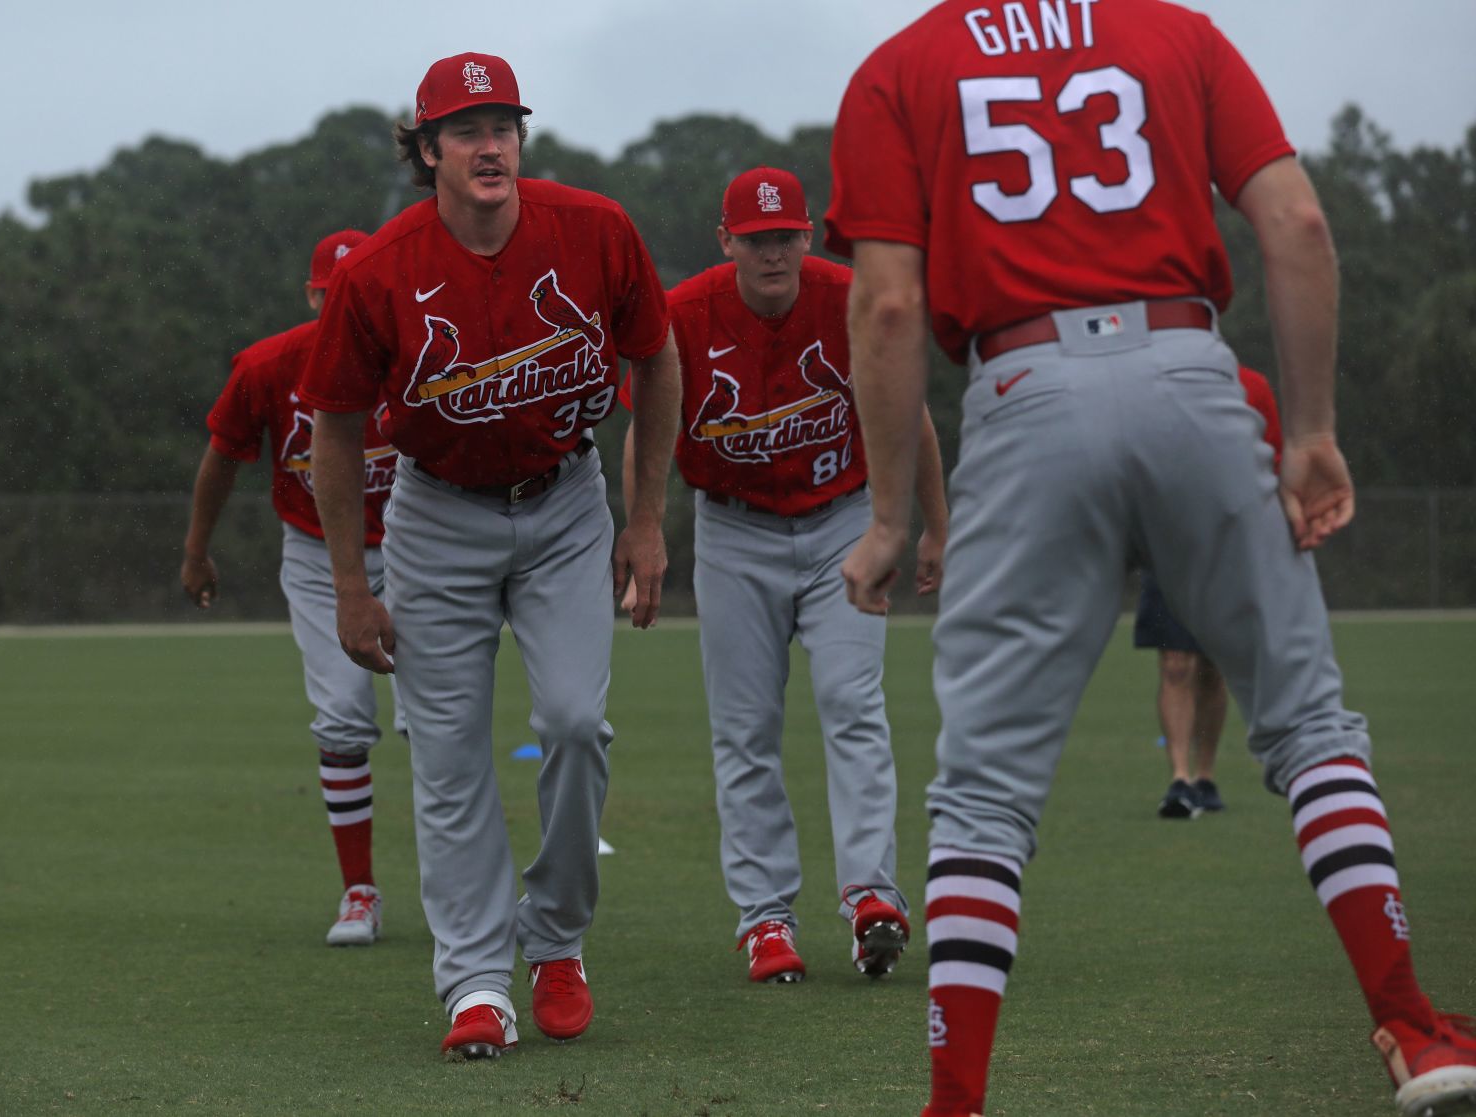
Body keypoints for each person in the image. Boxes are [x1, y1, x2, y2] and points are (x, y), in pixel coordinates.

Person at [826, 3, 1476, 1115]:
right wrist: (1310, 429)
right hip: (1186, 367)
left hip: (1022, 387)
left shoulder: (899, 64)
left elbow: (888, 306)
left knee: (982, 795)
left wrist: (892, 516)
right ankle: (1414, 1028)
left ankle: (954, 1099)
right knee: (1312, 727)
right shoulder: (1173, 31)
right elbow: (1300, 226)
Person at [297, 52, 680, 1060]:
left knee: (573, 721)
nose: (489, 143)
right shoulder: (381, 268)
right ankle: (474, 980)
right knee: (451, 758)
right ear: (426, 152)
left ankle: (555, 938)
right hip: (434, 516)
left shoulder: (595, 229)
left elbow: (657, 355)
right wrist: (350, 581)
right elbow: (333, 427)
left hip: (563, 504)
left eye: (502, 123)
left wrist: (645, 519)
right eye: (464, 129)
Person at [631, 166, 948, 984]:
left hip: (843, 520)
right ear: (725, 240)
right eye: (755, 237)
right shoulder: (684, 313)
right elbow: (649, 426)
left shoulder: (846, 296)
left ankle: (871, 896)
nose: (772, 251)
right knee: (744, 730)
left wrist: (931, 529)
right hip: (733, 529)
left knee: (852, 702)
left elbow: (908, 414)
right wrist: (643, 537)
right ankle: (764, 918)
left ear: (806, 236)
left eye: (786, 236)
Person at [179, 228, 405, 946]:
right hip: (316, 553)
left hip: (415, 544)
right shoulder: (269, 365)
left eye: (354, 289)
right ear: (311, 297)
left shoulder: (416, 350)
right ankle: (359, 890)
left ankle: (465, 888)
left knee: (435, 718)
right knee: (342, 719)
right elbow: (221, 459)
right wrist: (196, 551)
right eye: (328, 291)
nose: (340, 302)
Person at [1143, 365, 1284, 819]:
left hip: (1230, 546)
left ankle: (1205, 776)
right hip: (1169, 544)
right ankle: (1178, 780)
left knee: (1212, 665)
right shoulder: (1152, 386)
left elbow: (1274, 459)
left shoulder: (1251, 386)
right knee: (1175, 662)